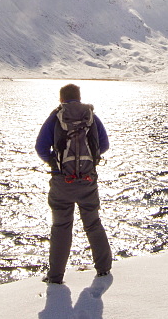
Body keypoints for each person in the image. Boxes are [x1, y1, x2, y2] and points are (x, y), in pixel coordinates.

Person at [35, 83, 113, 284]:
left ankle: (55, 277)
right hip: (87, 180)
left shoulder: (56, 116)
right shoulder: (91, 116)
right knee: (93, 223)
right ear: (79, 97)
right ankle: (104, 269)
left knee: (61, 226)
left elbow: (40, 147)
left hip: (62, 181)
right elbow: (104, 145)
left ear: (61, 99)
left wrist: (55, 162)